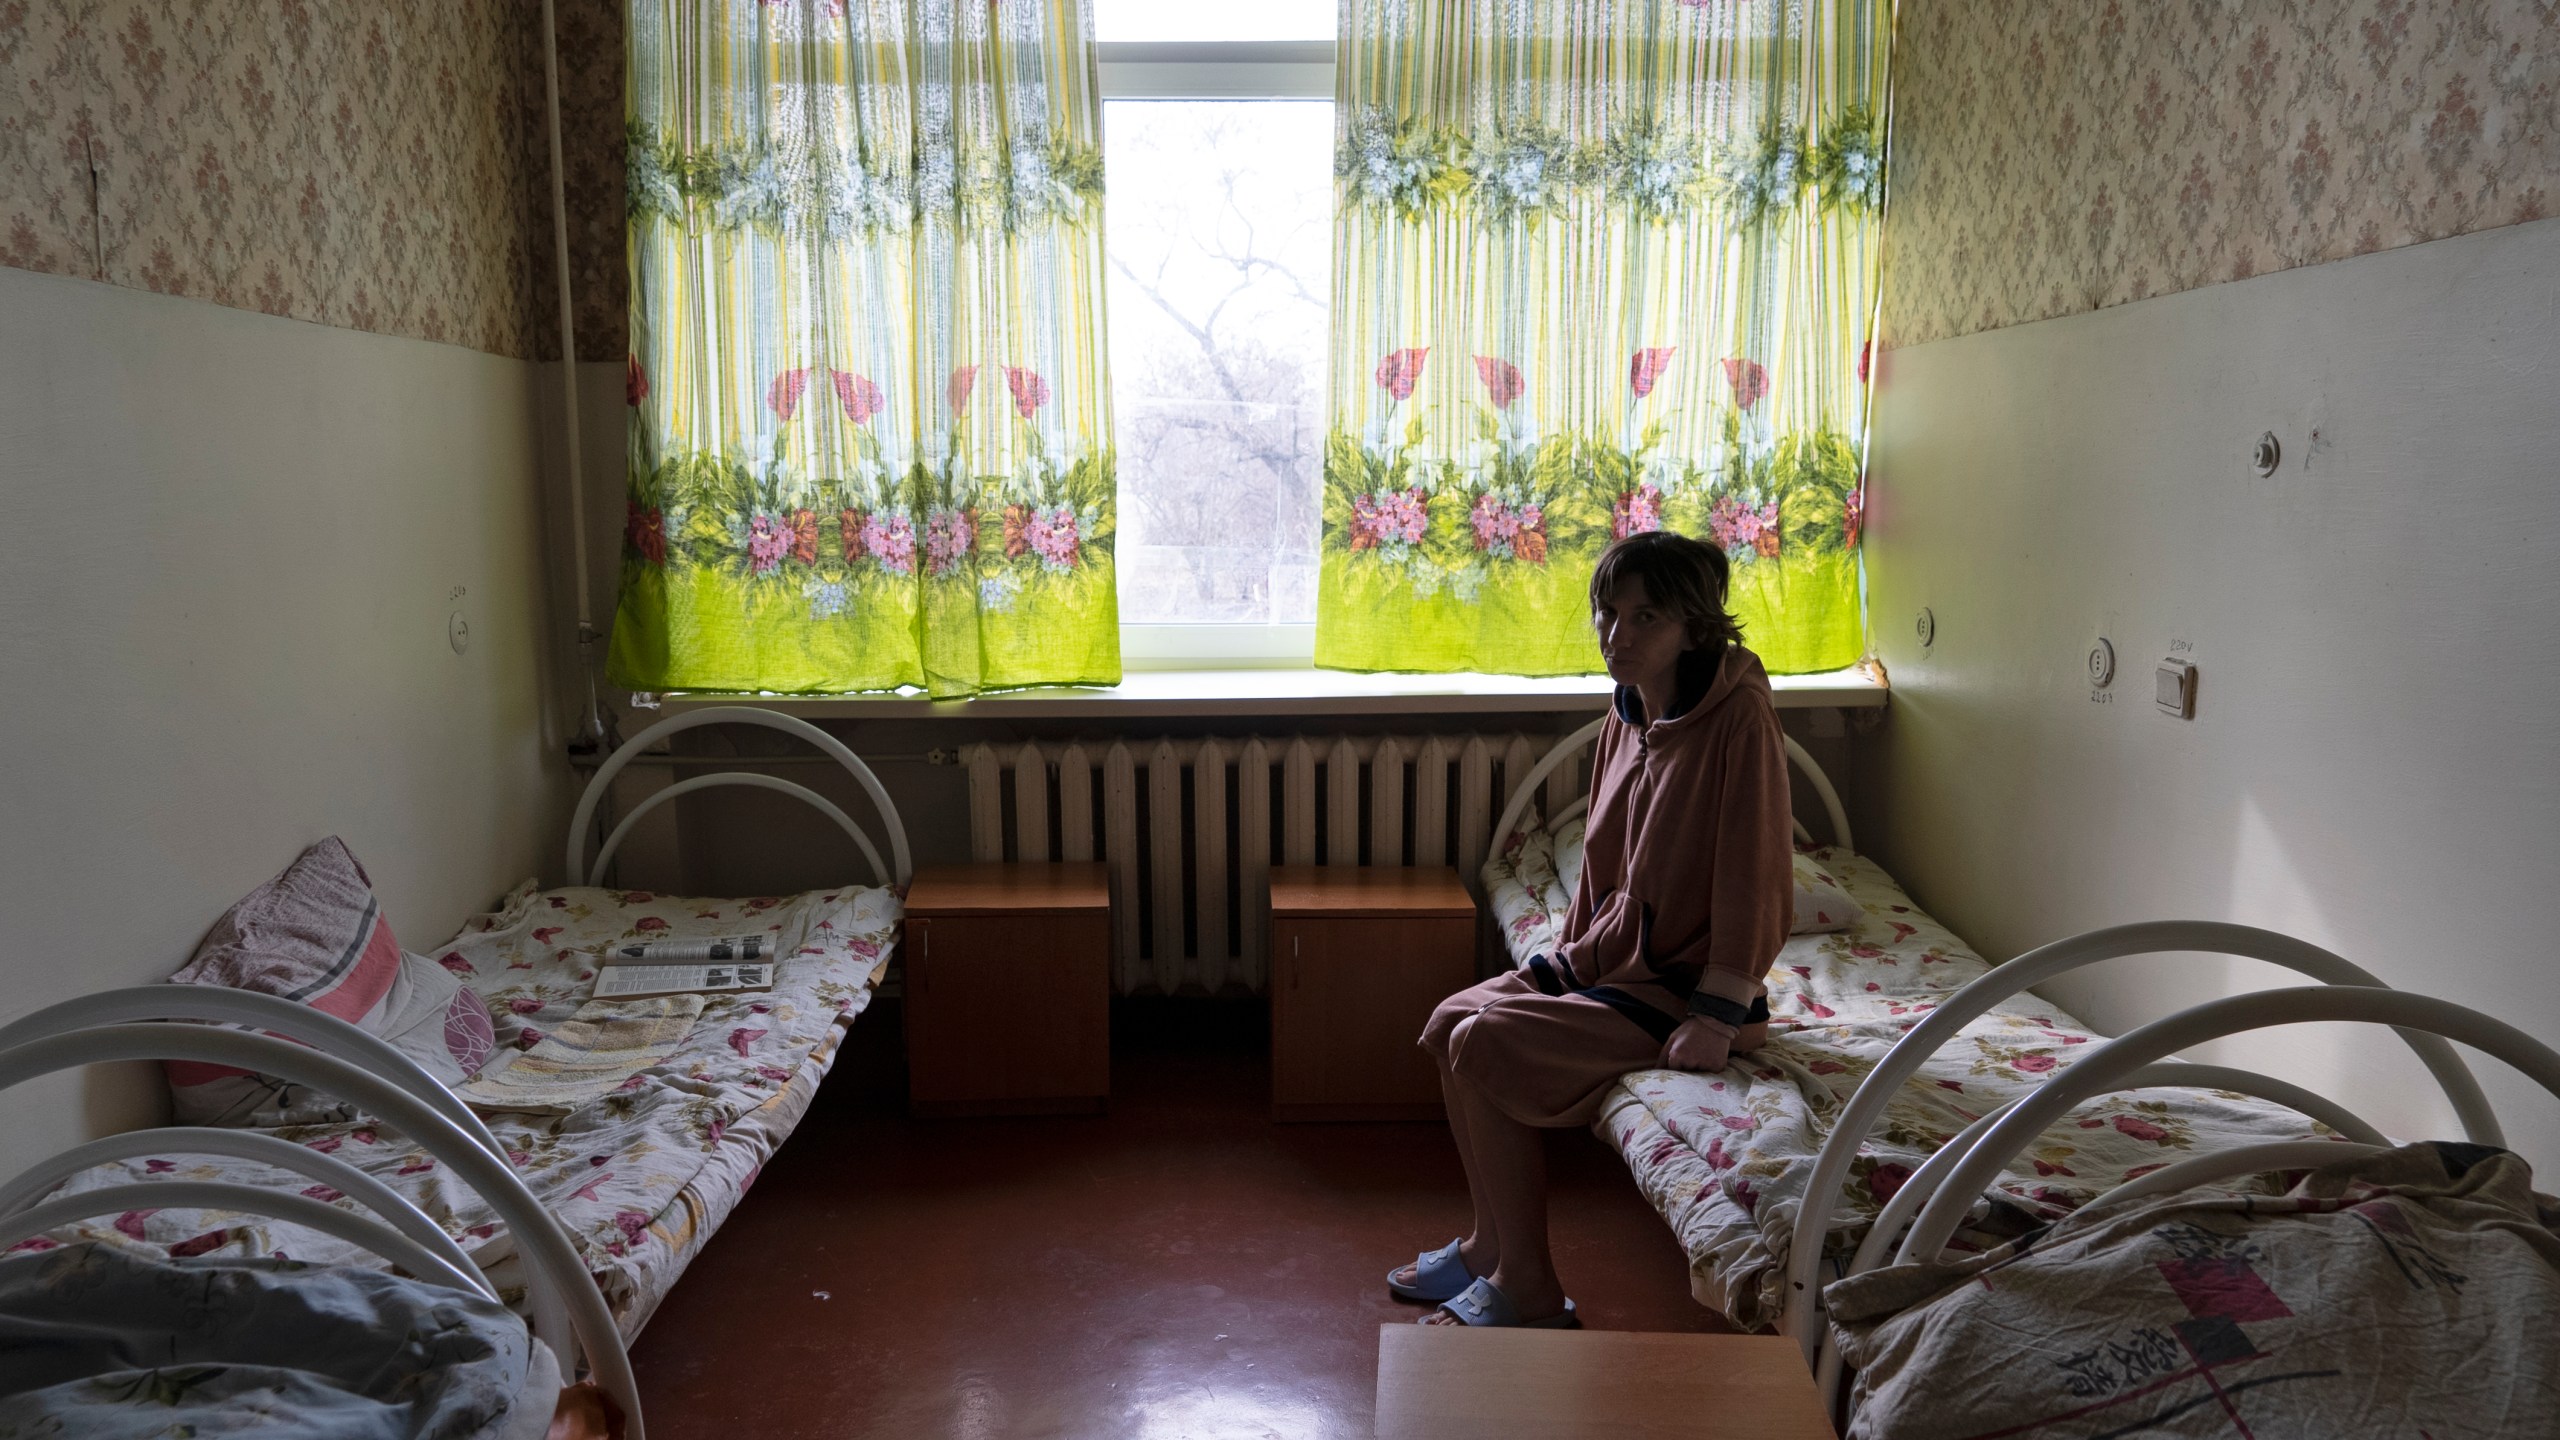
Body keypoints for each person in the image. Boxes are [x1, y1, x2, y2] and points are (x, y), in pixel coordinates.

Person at [1390, 529, 1795, 1328]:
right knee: (1448, 1024)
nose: (1619, 636)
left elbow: (1757, 875)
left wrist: (1717, 1016)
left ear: (1696, 624)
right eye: (1609, 615)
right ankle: (1486, 1246)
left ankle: (1532, 1285)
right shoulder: (1629, 711)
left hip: (1686, 989)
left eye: (1646, 618)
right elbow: (1604, 864)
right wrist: (1568, 961)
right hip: (1616, 962)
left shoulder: (1737, 721)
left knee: (1487, 1043)